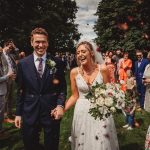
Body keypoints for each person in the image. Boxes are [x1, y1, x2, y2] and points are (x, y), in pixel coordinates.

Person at [14, 27, 67, 150]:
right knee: (30, 144)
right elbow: (20, 90)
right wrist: (18, 113)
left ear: (47, 43)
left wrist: (60, 105)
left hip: (51, 111)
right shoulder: (23, 64)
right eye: (37, 42)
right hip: (29, 111)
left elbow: (62, 88)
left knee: (52, 145)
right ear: (31, 43)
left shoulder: (57, 62)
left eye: (43, 42)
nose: (40, 45)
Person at [65, 41, 119, 150]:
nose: (80, 54)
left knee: (102, 142)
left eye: (83, 51)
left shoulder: (102, 69)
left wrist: (113, 100)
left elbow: (109, 92)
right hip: (81, 112)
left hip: (101, 112)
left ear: (92, 53)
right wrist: (62, 108)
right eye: (78, 52)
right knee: (83, 142)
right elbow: (74, 96)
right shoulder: (74, 72)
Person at [0, 46, 16, 138]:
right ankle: (1, 132)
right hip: (1, 90)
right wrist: (7, 76)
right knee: (0, 111)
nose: (1, 54)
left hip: (3, 88)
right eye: (0, 53)